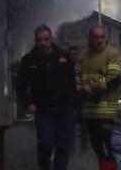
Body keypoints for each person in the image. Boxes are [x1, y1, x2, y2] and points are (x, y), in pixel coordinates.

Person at [16, 24, 77, 170]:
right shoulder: (29, 60)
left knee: (63, 145)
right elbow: (20, 85)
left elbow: (72, 81)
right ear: (35, 41)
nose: (43, 43)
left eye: (46, 39)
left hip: (64, 109)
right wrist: (28, 103)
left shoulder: (64, 57)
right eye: (39, 40)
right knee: (45, 143)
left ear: (51, 39)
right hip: (43, 109)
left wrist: (73, 104)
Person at [78, 26, 121, 170]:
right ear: (90, 38)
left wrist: (92, 87)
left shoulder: (112, 54)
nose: (98, 40)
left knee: (107, 142)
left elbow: (113, 78)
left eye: (101, 37)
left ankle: (109, 167)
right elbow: (77, 74)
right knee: (96, 143)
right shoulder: (84, 56)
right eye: (95, 37)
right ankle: (102, 166)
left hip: (106, 107)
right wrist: (79, 86)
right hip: (89, 107)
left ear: (105, 37)